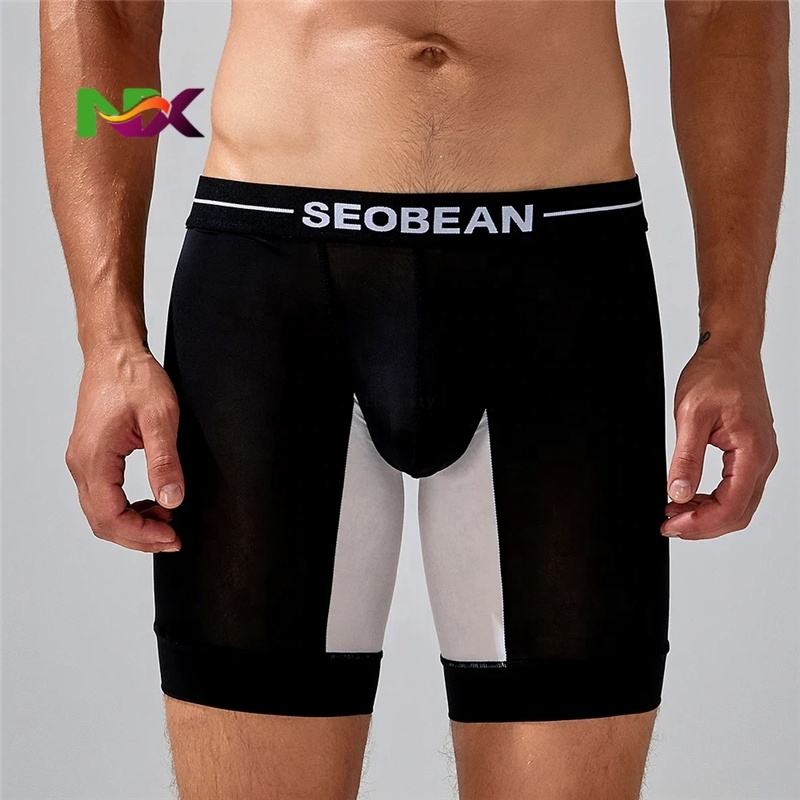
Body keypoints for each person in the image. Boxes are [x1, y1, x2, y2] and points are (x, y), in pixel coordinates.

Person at [40, 2, 787, 798]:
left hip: (562, 293)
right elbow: (109, 14)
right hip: (272, 292)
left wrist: (733, 335)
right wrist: (108, 338)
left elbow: (723, 13)